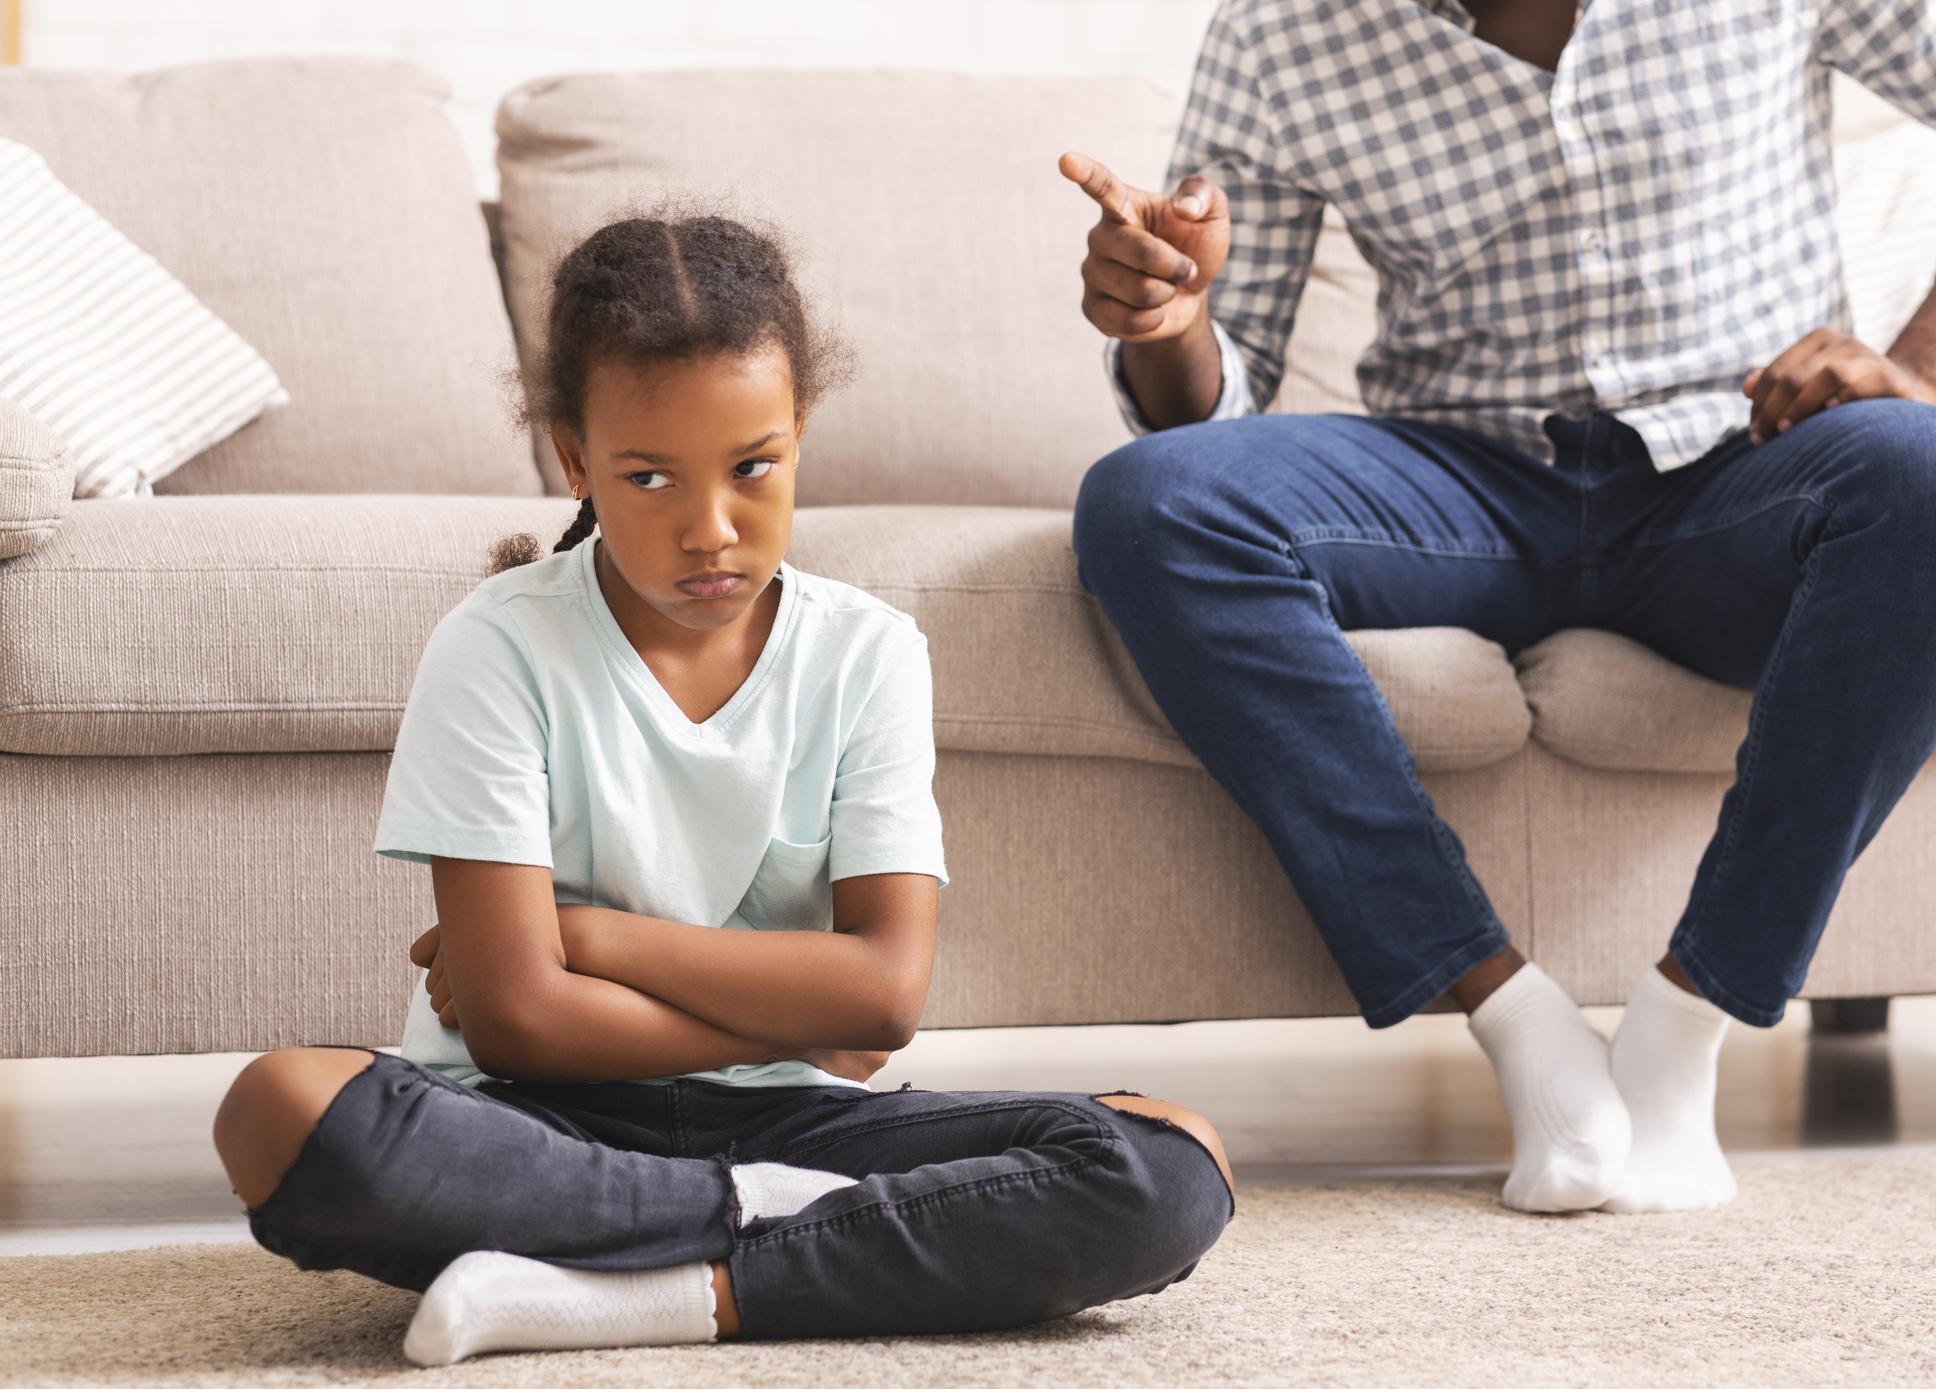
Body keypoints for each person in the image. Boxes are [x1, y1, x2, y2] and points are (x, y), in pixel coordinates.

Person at [1059, 0, 1936, 1215]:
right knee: (1151, 503)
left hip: (1740, 478)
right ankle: (1515, 1019)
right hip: (1459, 487)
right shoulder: (1283, 31)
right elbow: (1212, 393)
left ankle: (1686, 1028)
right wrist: (1172, 318)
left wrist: (1926, 372)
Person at [211, 213, 1233, 1365]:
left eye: (754, 468)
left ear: (799, 432)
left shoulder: (870, 652)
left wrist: (583, 936)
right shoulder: (495, 646)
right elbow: (517, 1021)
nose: (712, 532)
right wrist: (794, 1004)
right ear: (574, 457)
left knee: (1166, 1157)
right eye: (648, 478)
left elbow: (884, 1000)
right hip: (534, 1122)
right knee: (283, 1106)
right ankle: (782, 1236)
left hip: (793, 1119)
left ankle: (643, 1291)